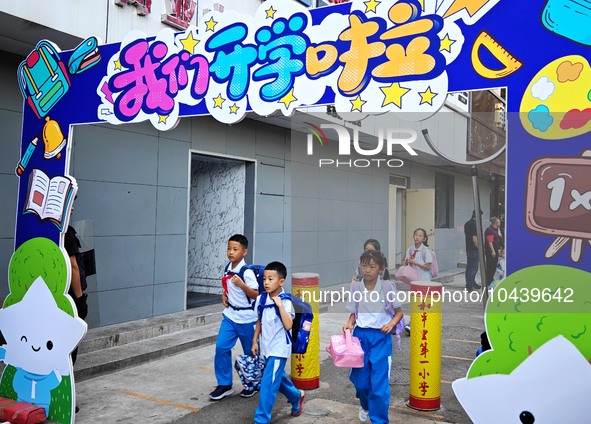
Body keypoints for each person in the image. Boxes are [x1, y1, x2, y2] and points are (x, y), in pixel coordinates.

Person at [344, 250, 404, 423]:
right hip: (360, 337)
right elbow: (354, 312)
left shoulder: (387, 286)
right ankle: (365, 405)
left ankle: (379, 420)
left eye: (372, 266)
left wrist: (391, 324)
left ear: (381, 268)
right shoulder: (356, 287)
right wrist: (349, 323)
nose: (367, 270)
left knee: (379, 386)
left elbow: (399, 313)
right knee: (361, 383)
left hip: (381, 338)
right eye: (364, 266)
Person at [251, 261, 305, 423]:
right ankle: (296, 396)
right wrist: (255, 340)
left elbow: (289, 325)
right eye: (264, 279)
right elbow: (259, 320)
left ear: (281, 281)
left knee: (268, 385)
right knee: (277, 378)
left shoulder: (286, 301)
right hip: (266, 348)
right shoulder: (261, 299)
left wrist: (280, 305)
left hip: (280, 348)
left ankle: (261, 419)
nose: (266, 282)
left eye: (270, 279)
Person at [210, 234, 260, 400]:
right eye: (229, 249)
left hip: (247, 318)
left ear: (244, 252)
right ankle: (224, 384)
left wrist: (241, 285)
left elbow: (256, 295)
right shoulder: (228, 268)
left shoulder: (247, 272)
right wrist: (224, 295)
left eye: (235, 249)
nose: (231, 252)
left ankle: (252, 383)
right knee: (221, 347)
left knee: (251, 353)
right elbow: (227, 284)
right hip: (230, 316)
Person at [65, 225, 88, 365]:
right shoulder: (66, 232)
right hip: (70, 298)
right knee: (70, 342)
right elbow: (74, 267)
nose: (72, 208)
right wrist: (80, 300)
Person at [464, 210, 482, 291]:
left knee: (469, 267)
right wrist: (480, 248)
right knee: (473, 268)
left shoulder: (467, 223)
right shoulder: (474, 224)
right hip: (474, 249)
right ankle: (470, 285)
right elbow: (474, 239)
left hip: (468, 248)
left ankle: (470, 283)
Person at [484, 218, 502, 287]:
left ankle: (491, 279)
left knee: (494, 266)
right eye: (499, 222)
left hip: (495, 251)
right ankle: (488, 281)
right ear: (496, 223)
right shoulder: (489, 230)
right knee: (490, 266)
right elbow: (490, 241)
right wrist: (493, 251)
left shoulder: (496, 230)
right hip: (491, 252)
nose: (500, 224)